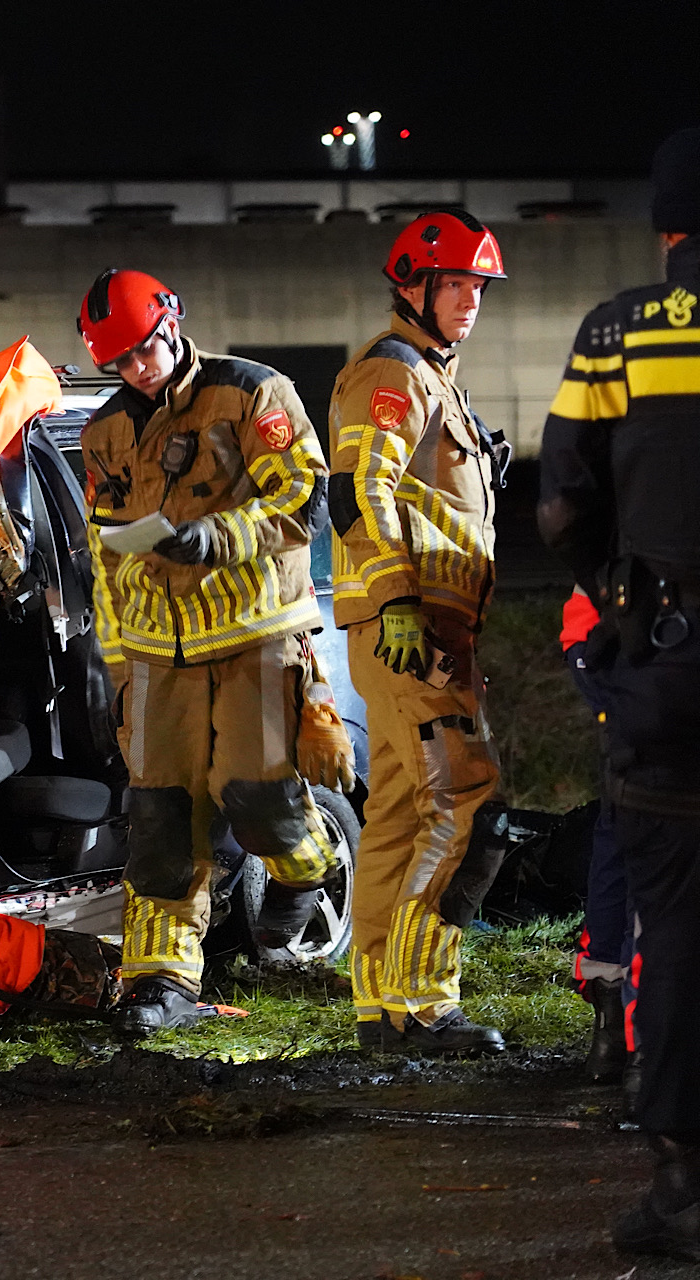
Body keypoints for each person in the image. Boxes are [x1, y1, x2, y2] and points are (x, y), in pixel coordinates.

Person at [76, 268, 336, 1034]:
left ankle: (306, 871)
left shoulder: (251, 393)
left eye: (144, 350)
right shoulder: (104, 432)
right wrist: (118, 669)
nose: (136, 369)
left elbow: (302, 496)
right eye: (119, 361)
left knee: (257, 798)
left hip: (256, 635)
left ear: (173, 324)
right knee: (159, 825)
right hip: (157, 657)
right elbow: (104, 555)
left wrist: (217, 536)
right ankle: (161, 986)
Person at [536, 125, 700, 1262]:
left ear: (665, 223)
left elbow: (560, 506)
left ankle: (685, 1186)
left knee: (677, 929)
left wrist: (626, 602)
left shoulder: (618, 331)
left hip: (671, 671)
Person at [327, 209, 512, 1055]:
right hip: (413, 632)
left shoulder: (431, 375)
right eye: (456, 285)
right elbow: (360, 489)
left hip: (421, 629)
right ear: (413, 287)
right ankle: (424, 1003)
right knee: (465, 802)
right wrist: (399, 598)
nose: (470, 300)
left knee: (401, 814)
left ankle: (381, 1008)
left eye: (479, 287)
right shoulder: (394, 371)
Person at [560, 585, 632, 1085]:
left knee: (626, 816)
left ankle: (613, 1032)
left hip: (602, 634)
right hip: (645, 639)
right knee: (657, 823)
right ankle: (641, 1045)